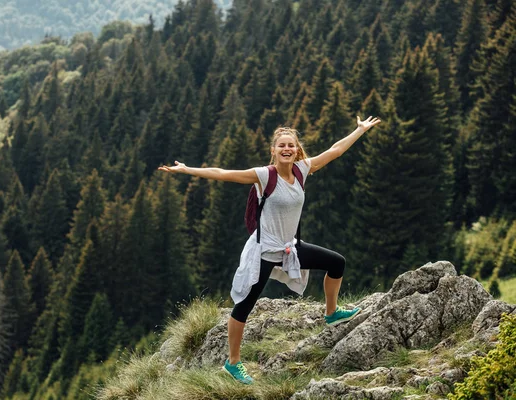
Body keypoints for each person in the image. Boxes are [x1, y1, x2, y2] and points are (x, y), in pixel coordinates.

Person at [158, 116, 381, 384]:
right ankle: (233, 363)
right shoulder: (264, 176)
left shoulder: (302, 170)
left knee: (337, 263)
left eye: (291, 146)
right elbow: (223, 174)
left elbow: (335, 151)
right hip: (264, 251)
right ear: (273, 151)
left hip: (290, 247)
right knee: (243, 306)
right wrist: (187, 170)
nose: (286, 149)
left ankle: (332, 313)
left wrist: (358, 130)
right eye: (281, 146)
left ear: (297, 150)